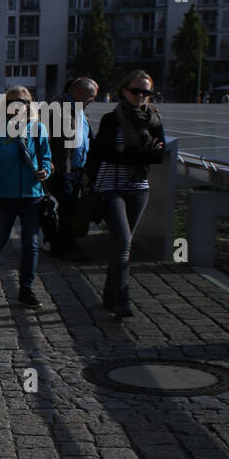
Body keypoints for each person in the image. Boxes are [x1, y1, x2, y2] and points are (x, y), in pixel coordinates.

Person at [84, 70, 166, 318]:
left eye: (146, 92)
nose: (141, 95)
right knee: (123, 244)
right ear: (124, 91)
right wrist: (145, 153)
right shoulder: (112, 119)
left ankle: (110, 295)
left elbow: (160, 155)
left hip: (139, 188)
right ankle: (122, 299)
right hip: (110, 187)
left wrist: (129, 154)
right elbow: (109, 154)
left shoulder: (154, 120)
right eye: (136, 90)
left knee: (121, 244)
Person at [0, 87, 53, 308]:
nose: (17, 106)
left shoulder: (38, 129)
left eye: (21, 102)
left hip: (33, 196)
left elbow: (47, 158)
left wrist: (45, 171)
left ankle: (26, 289)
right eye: (12, 102)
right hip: (5, 197)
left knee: (30, 243)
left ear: (28, 104)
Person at [47, 77, 98, 260]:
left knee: (70, 207)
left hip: (77, 169)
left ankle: (58, 245)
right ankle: (67, 247)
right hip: (62, 168)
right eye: (90, 95)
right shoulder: (58, 108)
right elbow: (45, 138)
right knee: (67, 207)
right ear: (76, 91)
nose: (93, 99)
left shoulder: (80, 111)